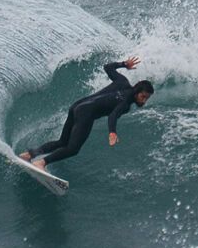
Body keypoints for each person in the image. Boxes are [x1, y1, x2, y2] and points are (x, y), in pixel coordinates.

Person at [20, 56, 154, 169]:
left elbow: (108, 67)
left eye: (146, 98)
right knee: (72, 149)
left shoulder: (122, 81)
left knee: (62, 142)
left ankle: (29, 155)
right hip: (86, 113)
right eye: (143, 97)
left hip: (77, 106)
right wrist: (112, 131)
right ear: (136, 92)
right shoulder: (125, 104)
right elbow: (113, 115)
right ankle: (42, 162)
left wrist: (124, 64)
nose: (144, 101)